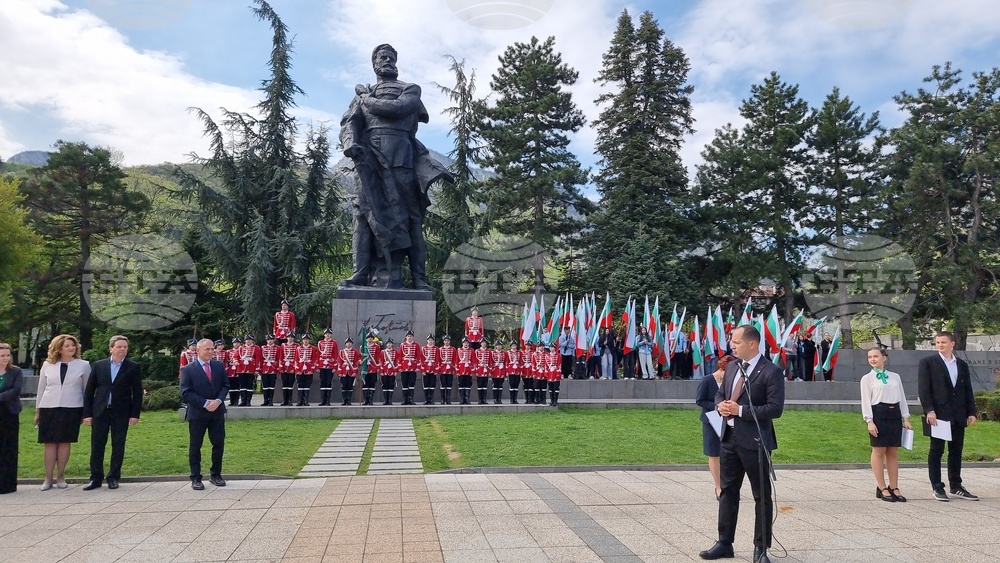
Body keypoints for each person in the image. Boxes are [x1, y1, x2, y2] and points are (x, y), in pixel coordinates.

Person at [338, 43, 450, 290]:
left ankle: (419, 278)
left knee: (411, 218)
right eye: (382, 57)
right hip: (369, 161)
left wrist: (365, 98)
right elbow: (349, 123)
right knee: (363, 216)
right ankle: (361, 272)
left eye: (391, 57)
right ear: (374, 63)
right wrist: (351, 143)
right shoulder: (361, 96)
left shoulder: (408, 89)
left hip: (402, 161)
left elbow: (396, 109)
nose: (387, 60)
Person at [700, 325, 784, 563]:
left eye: (736, 342)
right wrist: (721, 405)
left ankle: (761, 548)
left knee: (762, 495)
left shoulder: (771, 371)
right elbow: (720, 393)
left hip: (756, 442)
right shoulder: (732, 367)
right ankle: (724, 542)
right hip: (729, 439)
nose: (732, 346)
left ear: (752, 344)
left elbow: (775, 409)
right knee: (728, 492)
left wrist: (741, 410)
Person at [918, 331, 979, 501]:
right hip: (938, 415)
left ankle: (956, 485)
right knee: (936, 450)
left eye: (943, 342)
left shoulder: (961, 365)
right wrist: (929, 409)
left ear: (953, 343)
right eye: (937, 342)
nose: (940, 345)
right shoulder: (928, 363)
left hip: (958, 415)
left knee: (956, 451)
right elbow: (924, 388)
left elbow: (967, 390)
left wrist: (971, 411)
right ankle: (937, 486)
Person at [82, 335, 142, 491]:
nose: (122, 349)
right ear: (111, 348)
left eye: (125, 347)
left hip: (121, 412)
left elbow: (137, 393)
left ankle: (113, 477)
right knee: (97, 445)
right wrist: (87, 414)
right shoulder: (99, 366)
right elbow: (89, 391)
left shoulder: (132, 367)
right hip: (100, 411)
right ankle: (95, 478)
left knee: (118, 445)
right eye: (119, 346)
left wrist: (135, 414)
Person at [35, 334, 91, 491]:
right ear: (58, 348)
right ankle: (48, 478)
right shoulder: (47, 365)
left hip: (72, 407)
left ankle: (60, 476)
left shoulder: (84, 365)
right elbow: (41, 388)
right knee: (50, 443)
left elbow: (87, 390)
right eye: (67, 346)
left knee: (65, 442)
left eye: (73, 345)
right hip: (49, 407)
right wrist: (38, 410)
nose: (71, 348)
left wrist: (86, 412)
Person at [860, 347, 912, 503]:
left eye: (876, 356)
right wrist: (869, 420)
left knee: (893, 451)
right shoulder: (867, 379)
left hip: (894, 413)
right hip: (879, 413)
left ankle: (894, 486)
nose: (873, 359)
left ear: (884, 357)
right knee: (879, 450)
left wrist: (906, 417)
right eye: (870, 357)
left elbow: (901, 396)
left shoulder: (895, 376)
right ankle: (881, 487)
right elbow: (866, 401)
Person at [180, 338, 229, 490]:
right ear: (198, 350)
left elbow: (225, 385)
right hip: (197, 414)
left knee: (218, 444)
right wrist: (205, 403)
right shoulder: (188, 369)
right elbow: (185, 392)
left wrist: (219, 401)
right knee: (195, 446)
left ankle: (216, 475)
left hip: (217, 413)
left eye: (212, 349)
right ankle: (196, 477)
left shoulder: (219, 366)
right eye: (207, 349)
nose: (210, 352)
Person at [697, 355, 734, 499]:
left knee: (728, 454)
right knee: (713, 453)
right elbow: (700, 400)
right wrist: (717, 406)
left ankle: (727, 485)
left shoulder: (731, 382)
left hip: (728, 420)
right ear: (721, 368)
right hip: (711, 421)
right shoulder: (707, 380)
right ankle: (718, 487)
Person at [0, 342, 24, 494]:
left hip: (9, 413)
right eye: (2, 355)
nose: (5, 358)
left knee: (8, 447)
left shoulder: (16, 371)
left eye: (8, 355)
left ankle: (7, 484)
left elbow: (15, 390)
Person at [235, 334, 262, 406]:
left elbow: (258, 359)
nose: (248, 341)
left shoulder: (256, 348)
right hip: (241, 368)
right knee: (242, 385)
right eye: (247, 340)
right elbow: (236, 356)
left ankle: (248, 401)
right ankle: (243, 401)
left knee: (249, 385)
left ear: (252, 340)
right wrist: (236, 362)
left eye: (250, 340)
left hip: (251, 368)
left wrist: (257, 369)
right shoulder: (241, 348)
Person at [398, 330, 422, 406]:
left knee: (412, 383)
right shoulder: (402, 345)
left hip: (413, 366)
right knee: (404, 383)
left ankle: (410, 399)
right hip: (404, 366)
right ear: (406, 337)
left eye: (411, 336)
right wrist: (400, 366)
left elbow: (418, 356)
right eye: (408, 336)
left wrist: (418, 366)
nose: (409, 337)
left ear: (413, 337)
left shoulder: (416, 345)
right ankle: (405, 399)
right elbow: (400, 357)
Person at [317, 329, 340, 406]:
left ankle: (328, 400)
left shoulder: (334, 343)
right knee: (322, 382)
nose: (327, 335)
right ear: (324, 335)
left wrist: (334, 366)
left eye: (329, 334)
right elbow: (318, 354)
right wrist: (318, 366)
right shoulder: (320, 343)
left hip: (330, 364)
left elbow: (336, 355)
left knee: (328, 382)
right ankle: (323, 400)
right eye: (326, 334)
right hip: (322, 364)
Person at [295, 334, 319, 406]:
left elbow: (314, 360)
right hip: (300, 368)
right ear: (302, 340)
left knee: (307, 385)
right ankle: (300, 401)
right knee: (300, 385)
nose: (306, 341)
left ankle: (306, 400)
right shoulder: (298, 348)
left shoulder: (313, 348)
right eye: (304, 339)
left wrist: (312, 369)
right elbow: (296, 359)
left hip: (308, 368)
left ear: (309, 340)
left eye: (307, 339)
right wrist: (297, 369)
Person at [259, 334, 280, 406]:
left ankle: (271, 400)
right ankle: (265, 400)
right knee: (265, 385)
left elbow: (278, 358)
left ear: (274, 340)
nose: (270, 341)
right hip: (265, 368)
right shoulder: (263, 348)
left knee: (272, 385)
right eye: (268, 340)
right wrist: (260, 369)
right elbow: (261, 359)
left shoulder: (277, 348)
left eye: (271, 339)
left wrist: (277, 368)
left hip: (273, 368)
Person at [338, 337, 360, 406]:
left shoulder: (355, 351)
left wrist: (355, 372)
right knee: (344, 386)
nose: (349, 344)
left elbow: (356, 362)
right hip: (344, 371)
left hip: (351, 370)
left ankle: (349, 400)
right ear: (345, 344)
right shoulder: (342, 352)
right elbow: (339, 362)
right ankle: (344, 400)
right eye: (347, 343)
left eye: (350, 343)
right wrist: (340, 372)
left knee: (350, 386)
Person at [361, 332, 382, 406]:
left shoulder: (376, 347)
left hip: (373, 367)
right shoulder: (363, 347)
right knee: (365, 384)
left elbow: (378, 357)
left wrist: (378, 366)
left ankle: (370, 400)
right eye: (368, 338)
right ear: (366, 339)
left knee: (372, 384)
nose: (370, 339)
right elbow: (360, 356)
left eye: (371, 338)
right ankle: (365, 400)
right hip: (365, 368)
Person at [278, 334, 298, 406]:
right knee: (284, 384)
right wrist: (281, 368)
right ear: (287, 338)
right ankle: (285, 400)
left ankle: (289, 400)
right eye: (289, 337)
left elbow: (297, 358)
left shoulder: (296, 346)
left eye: (292, 337)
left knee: (290, 385)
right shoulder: (283, 345)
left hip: (292, 366)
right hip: (284, 366)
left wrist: (294, 368)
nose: (290, 339)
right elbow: (281, 357)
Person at [420, 334, 439, 405]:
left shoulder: (436, 349)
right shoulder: (423, 348)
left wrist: (436, 370)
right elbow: (421, 360)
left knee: (432, 384)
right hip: (426, 368)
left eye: (432, 340)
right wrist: (423, 370)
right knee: (426, 385)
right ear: (427, 341)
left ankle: (431, 399)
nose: (430, 341)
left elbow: (437, 359)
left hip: (433, 368)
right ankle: (426, 399)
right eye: (429, 340)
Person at [437, 335, 456, 405]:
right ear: (443, 341)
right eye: (445, 341)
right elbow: (438, 360)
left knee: (449, 385)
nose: (447, 342)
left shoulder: (453, 349)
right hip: (443, 369)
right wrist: (438, 369)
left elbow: (454, 359)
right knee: (443, 385)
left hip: (450, 369)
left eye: (448, 341)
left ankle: (448, 399)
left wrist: (454, 369)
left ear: (449, 341)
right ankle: (442, 399)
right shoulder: (440, 349)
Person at [380, 339, 400, 405]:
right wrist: (381, 371)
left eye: (390, 343)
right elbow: (381, 362)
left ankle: (390, 400)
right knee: (385, 385)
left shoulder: (395, 352)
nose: (389, 345)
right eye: (388, 343)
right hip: (385, 370)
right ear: (386, 345)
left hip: (392, 370)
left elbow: (397, 362)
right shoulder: (383, 352)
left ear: (392, 344)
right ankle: (386, 400)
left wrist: (396, 371)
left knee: (391, 385)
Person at [456, 337, 475, 405]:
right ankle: (462, 399)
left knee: (468, 385)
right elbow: (456, 361)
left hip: (468, 370)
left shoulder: (471, 350)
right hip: (461, 370)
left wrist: (472, 371)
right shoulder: (459, 350)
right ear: (462, 343)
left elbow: (473, 361)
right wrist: (457, 371)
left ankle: (467, 399)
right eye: (465, 343)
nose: (466, 344)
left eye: (467, 343)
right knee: (461, 385)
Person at [474, 339, 492, 404]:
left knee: (485, 386)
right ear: (480, 344)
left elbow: (490, 362)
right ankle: (480, 399)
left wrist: (489, 371)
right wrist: (476, 370)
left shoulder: (489, 352)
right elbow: (475, 362)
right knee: (479, 386)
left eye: (485, 343)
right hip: (479, 369)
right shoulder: (477, 351)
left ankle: (484, 399)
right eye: (482, 343)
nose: (484, 344)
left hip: (486, 370)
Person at [226, 337, 241, 406]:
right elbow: (226, 361)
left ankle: (236, 401)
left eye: (238, 343)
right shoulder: (229, 351)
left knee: (237, 386)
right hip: (230, 370)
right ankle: (232, 401)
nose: (236, 344)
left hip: (239, 369)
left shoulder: (242, 351)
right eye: (235, 343)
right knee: (231, 386)